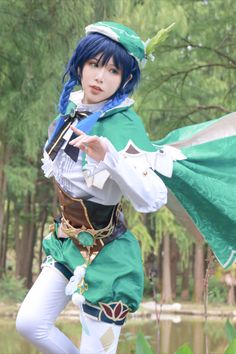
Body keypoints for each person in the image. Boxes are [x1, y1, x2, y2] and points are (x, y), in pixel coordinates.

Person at [16, 21, 171, 354]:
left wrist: (111, 158)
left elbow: (153, 198)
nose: (101, 77)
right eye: (95, 64)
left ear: (125, 79)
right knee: (29, 322)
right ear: (80, 66)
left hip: (108, 256)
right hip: (68, 242)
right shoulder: (69, 113)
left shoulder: (123, 124)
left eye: (113, 70)